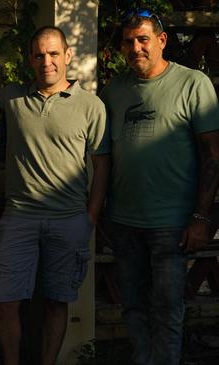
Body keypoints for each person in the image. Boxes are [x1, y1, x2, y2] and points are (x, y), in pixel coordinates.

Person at [100, 9, 219, 365]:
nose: (135, 47)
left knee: (167, 308)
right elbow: (100, 155)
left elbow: (213, 153)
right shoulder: (113, 91)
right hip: (123, 221)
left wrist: (201, 217)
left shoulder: (192, 83)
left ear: (162, 40)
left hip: (173, 223)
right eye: (128, 41)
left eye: (143, 39)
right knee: (133, 306)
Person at [0, 26, 110, 365]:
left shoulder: (90, 106)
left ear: (68, 56)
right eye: (39, 54)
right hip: (19, 218)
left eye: (54, 53)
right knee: (4, 301)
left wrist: (92, 215)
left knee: (58, 301)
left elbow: (102, 164)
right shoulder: (11, 99)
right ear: (30, 59)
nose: (47, 61)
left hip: (69, 219)